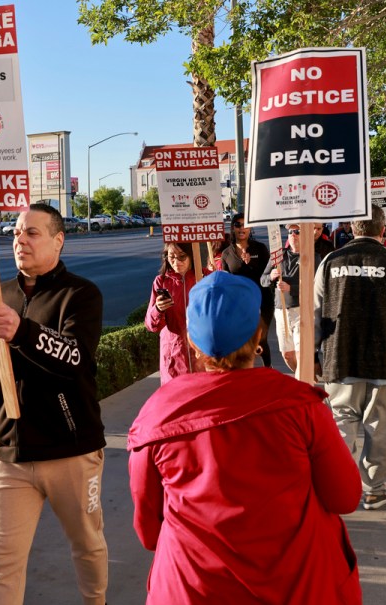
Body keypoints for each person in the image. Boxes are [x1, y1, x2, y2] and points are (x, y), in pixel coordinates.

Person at [128, 271, 363, 604]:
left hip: (190, 590)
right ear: (259, 337)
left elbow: (149, 532)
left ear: (193, 344)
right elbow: (345, 497)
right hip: (299, 585)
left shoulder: (157, 416)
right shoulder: (300, 405)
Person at [0, 203, 108, 605]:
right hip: (10, 454)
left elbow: (76, 359)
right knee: (0, 564)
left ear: (58, 240)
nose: (20, 239)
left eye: (32, 232)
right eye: (16, 232)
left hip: (71, 449)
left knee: (87, 545)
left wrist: (23, 331)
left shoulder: (81, 294)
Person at [314, 206, 386, 510]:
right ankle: (374, 489)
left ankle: (336, 485)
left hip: (340, 356)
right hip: (384, 357)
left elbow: (315, 312)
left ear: (352, 229)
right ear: (382, 230)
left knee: (341, 421)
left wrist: (314, 353)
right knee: (379, 425)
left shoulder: (330, 261)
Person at [145, 242, 209, 384]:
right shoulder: (161, 281)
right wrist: (158, 309)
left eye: (182, 257)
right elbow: (151, 325)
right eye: (171, 257)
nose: (176, 262)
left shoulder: (206, 277)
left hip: (202, 350)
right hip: (174, 353)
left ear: (192, 256)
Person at [261, 222, 321, 372]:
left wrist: (291, 289)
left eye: (297, 232)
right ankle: (302, 376)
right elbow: (263, 280)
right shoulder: (278, 255)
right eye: (290, 232)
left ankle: (302, 384)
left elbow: (316, 286)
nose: (293, 235)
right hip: (281, 311)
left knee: (301, 354)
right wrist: (271, 276)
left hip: (302, 310)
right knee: (287, 354)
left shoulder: (312, 257)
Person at [220, 213, 273, 367]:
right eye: (238, 225)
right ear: (233, 228)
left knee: (260, 338)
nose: (241, 228)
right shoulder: (226, 254)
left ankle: (267, 370)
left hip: (262, 301)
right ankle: (245, 371)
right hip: (239, 303)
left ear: (250, 229)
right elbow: (226, 281)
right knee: (242, 339)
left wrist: (251, 264)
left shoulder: (260, 248)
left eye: (245, 225)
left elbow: (267, 276)